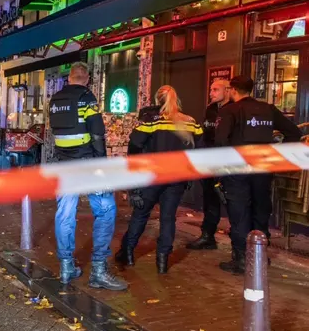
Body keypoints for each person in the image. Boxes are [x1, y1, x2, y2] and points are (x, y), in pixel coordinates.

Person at [48, 62, 127, 290]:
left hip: (64, 164)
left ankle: (66, 268)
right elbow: (97, 132)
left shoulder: (56, 100)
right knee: (105, 210)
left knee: (65, 213)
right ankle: (99, 272)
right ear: (88, 78)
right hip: (87, 163)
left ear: (69, 77)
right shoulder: (87, 98)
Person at [214, 75, 301, 274]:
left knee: (239, 212)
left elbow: (220, 142)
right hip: (262, 167)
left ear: (233, 90)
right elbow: (293, 132)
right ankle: (259, 256)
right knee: (260, 209)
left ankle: (242, 259)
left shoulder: (229, 111)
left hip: (238, 169)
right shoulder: (268, 109)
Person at [115, 86, 203, 273]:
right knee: (168, 218)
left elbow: (135, 145)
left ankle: (128, 253)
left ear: (157, 100)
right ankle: (162, 262)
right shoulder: (190, 122)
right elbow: (200, 149)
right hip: (177, 177)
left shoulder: (151, 121)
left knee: (140, 214)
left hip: (152, 176)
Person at [187, 79, 230, 250]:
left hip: (228, 161)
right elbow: (205, 135)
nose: (211, 93)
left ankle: (240, 243)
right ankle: (208, 235)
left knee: (232, 201)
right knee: (210, 199)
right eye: (211, 89)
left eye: (215, 89)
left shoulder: (235, 109)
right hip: (210, 160)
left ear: (228, 90)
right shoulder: (211, 109)